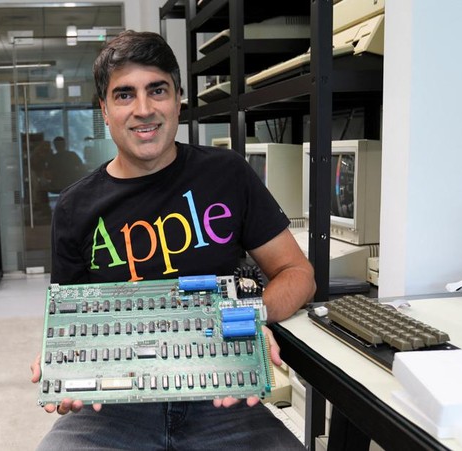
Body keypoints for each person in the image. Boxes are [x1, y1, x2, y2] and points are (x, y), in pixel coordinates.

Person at [31, 30, 316, 450]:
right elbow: (71, 323)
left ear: (179, 98)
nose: (143, 109)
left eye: (157, 90)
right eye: (124, 95)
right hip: (116, 403)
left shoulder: (228, 174)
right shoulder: (75, 207)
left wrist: (249, 319)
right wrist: (64, 361)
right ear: (104, 110)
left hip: (221, 390)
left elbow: (298, 273)